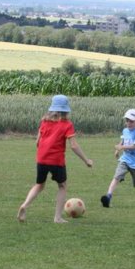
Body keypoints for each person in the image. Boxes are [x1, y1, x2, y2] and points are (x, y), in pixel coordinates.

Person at [17, 94, 93, 223]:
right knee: (62, 186)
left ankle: (25, 205)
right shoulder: (67, 124)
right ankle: (57, 217)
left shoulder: (45, 121)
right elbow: (73, 146)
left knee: (39, 185)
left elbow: (37, 142)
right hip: (56, 160)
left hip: (41, 159)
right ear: (66, 110)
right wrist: (86, 160)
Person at [100, 108, 135, 208]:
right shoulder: (125, 130)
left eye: (131, 121)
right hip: (125, 160)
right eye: (127, 120)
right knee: (117, 177)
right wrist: (117, 150)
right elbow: (122, 142)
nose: (129, 123)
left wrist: (122, 147)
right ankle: (108, 197)